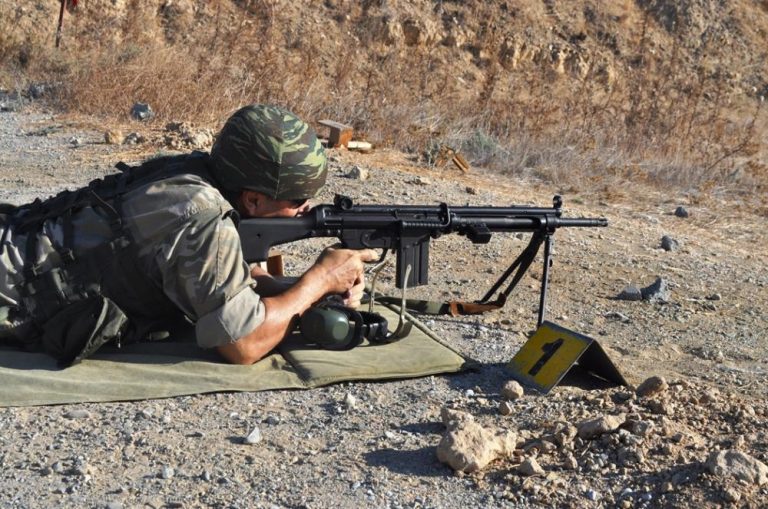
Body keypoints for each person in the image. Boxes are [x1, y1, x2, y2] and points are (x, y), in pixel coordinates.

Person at [0, 104, 377, 366]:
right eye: (297, 201)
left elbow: (229, 277)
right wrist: (317, 281)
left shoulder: (196, 173)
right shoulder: (200, 214)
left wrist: (304, 287)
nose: (305, 209)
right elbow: (243, 344)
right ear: (253, 199)